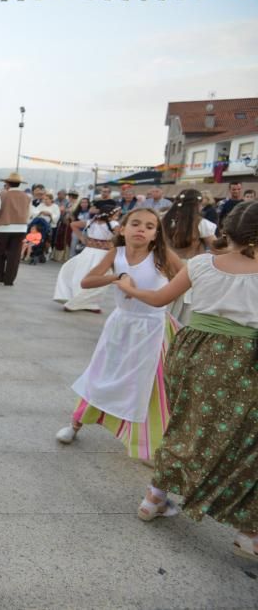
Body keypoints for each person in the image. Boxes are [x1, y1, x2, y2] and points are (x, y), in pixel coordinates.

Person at [114, 201, 257, 561]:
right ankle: (248, 530)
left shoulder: (201, 264)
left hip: (193, 351)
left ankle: (154, 498)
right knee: (245, 441)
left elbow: (160, 299)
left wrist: (129, 289)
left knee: (183, 424)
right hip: (243, 360)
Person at [54, 208, 181, 461]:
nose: (141, 229)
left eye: (148, 226)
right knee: (101, 374)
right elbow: (87, 282)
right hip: (121, 325)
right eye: (135, 224)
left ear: (156, 234)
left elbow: (186, 279)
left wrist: (168, 298)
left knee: (149, 385)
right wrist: (117, 277)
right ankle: (76, 422)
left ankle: (147, 444)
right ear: (122, 229)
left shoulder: (162, 255)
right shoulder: (117, 253)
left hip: (153, 329)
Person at [161, 189, 218, 324]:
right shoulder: (201, 224)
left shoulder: (165, 219)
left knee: (166, 304)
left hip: (166, 267)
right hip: (191, 269)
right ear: (197, 204)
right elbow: (218, 248)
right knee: (185, 312)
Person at [53, 200, 119, 312]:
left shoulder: (92, 222)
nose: (117, 216)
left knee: (81, 275)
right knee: (100, 278)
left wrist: (82, 238)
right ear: (111, 214)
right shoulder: (114, 224)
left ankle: (87, 303)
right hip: (102, 255)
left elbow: (73, 224)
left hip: (88, 252)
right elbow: (120, 238)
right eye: (117, 214)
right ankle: (80, 302)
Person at [0, 172, 30, 286]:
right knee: (14, 255)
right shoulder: (27, 197)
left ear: (7, 183)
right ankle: (9, 280)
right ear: (19, 184)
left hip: (4, 227)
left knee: (0, 252)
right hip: (21, 228)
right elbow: (31, 213)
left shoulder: (2, 195)